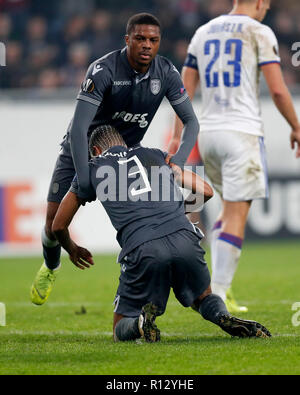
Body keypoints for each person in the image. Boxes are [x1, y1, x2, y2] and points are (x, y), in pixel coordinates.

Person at [30, 13, 200, 305]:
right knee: (52, 226)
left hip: (127, 155)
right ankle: (51, 265)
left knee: (149, 216)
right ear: (128, 40)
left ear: (159, 43)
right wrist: (85, 181)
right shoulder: (103, 70)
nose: (147, 45)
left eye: (153, 40)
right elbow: (80, 128)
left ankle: (155, 279)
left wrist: (177, 163)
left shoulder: (167, 73)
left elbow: (192, 123)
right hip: (80, 150)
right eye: (140, 39)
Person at [51, 125, 271, 342]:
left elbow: (58, 225)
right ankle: (222, 316)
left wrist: (72, 248)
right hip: (185, 237)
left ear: (96, 151)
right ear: (123, 144)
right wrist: (176, 208)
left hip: (143, 247)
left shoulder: (91, 168)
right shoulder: (155, 154)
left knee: (120, 327)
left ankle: (139, 323)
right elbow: (206, 191)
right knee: (204, 297)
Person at [168, 0, 300, 313]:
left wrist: (177, 134)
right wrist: (296, 126)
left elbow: (183, 87)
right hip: (241, 133)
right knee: (237, 215)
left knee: (228, 213)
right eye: (266, 4)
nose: (266, 9)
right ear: (258, 2)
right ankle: (219, 294)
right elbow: (279, 91)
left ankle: (218, 288)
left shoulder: (203, 31)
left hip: (209, 134)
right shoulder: (259, 32)